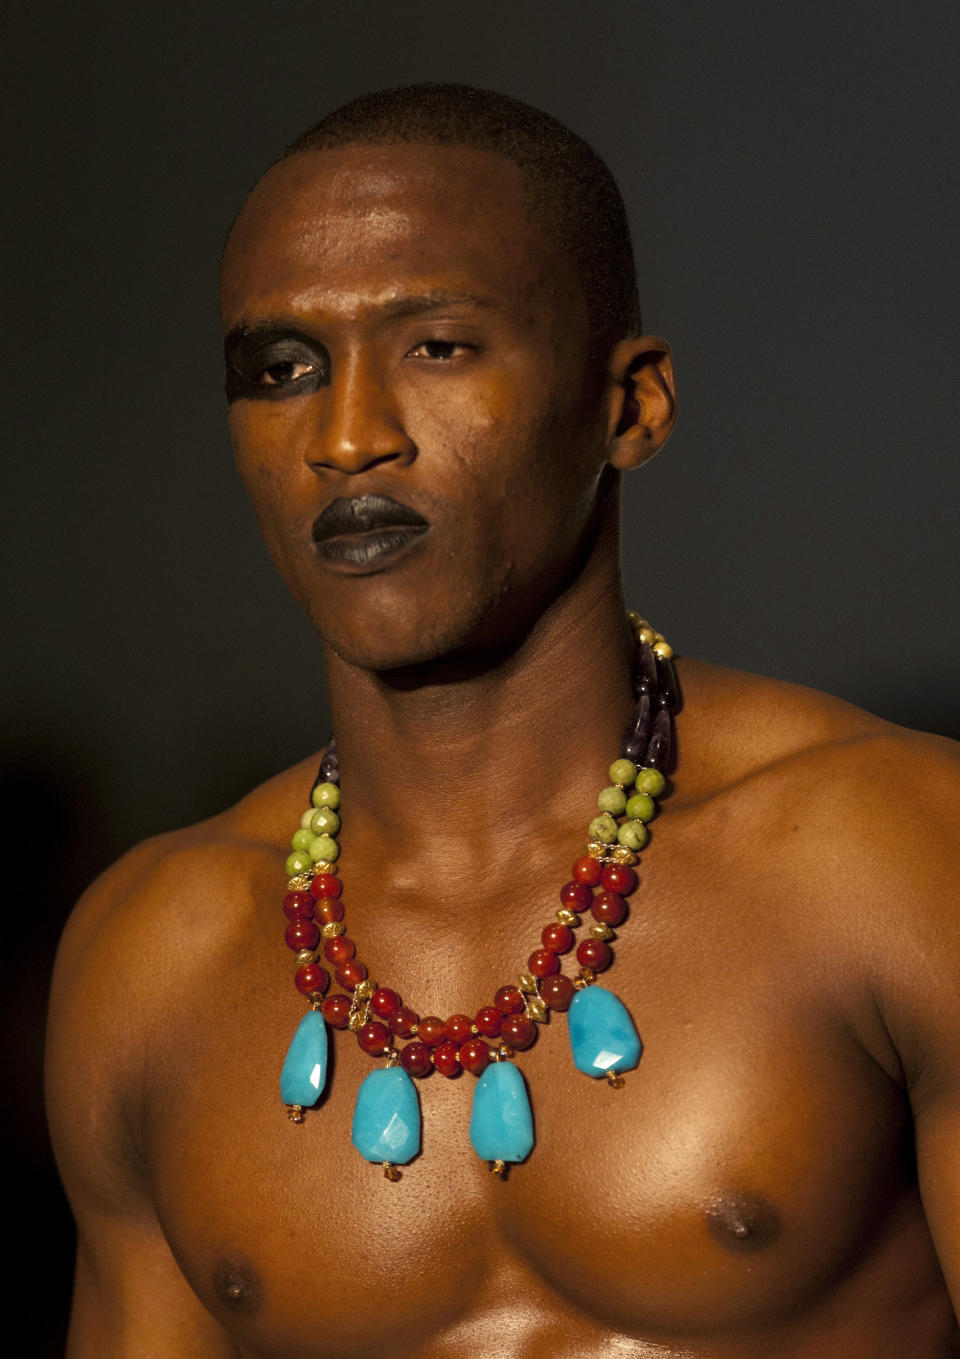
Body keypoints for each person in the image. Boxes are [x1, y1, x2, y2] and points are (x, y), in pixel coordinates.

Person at [46, 82, 960, 1357]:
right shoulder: (155, 961)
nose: (347, 436)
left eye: (439, 346)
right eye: (282, 369)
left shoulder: (900, 854)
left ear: (630, 408)